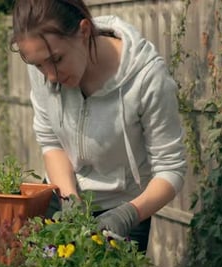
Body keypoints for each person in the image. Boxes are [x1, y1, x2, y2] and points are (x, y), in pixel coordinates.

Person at [10, 0, 187, 252]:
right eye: (38, 65)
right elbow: (52, 143)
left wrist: (127, 215)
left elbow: (171, 169)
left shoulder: (148, 79)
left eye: (56, 60)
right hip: (62, 199)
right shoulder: (44, 66)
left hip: (125, 213)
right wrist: (70, 201)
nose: (49, 76)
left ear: (84, 31)